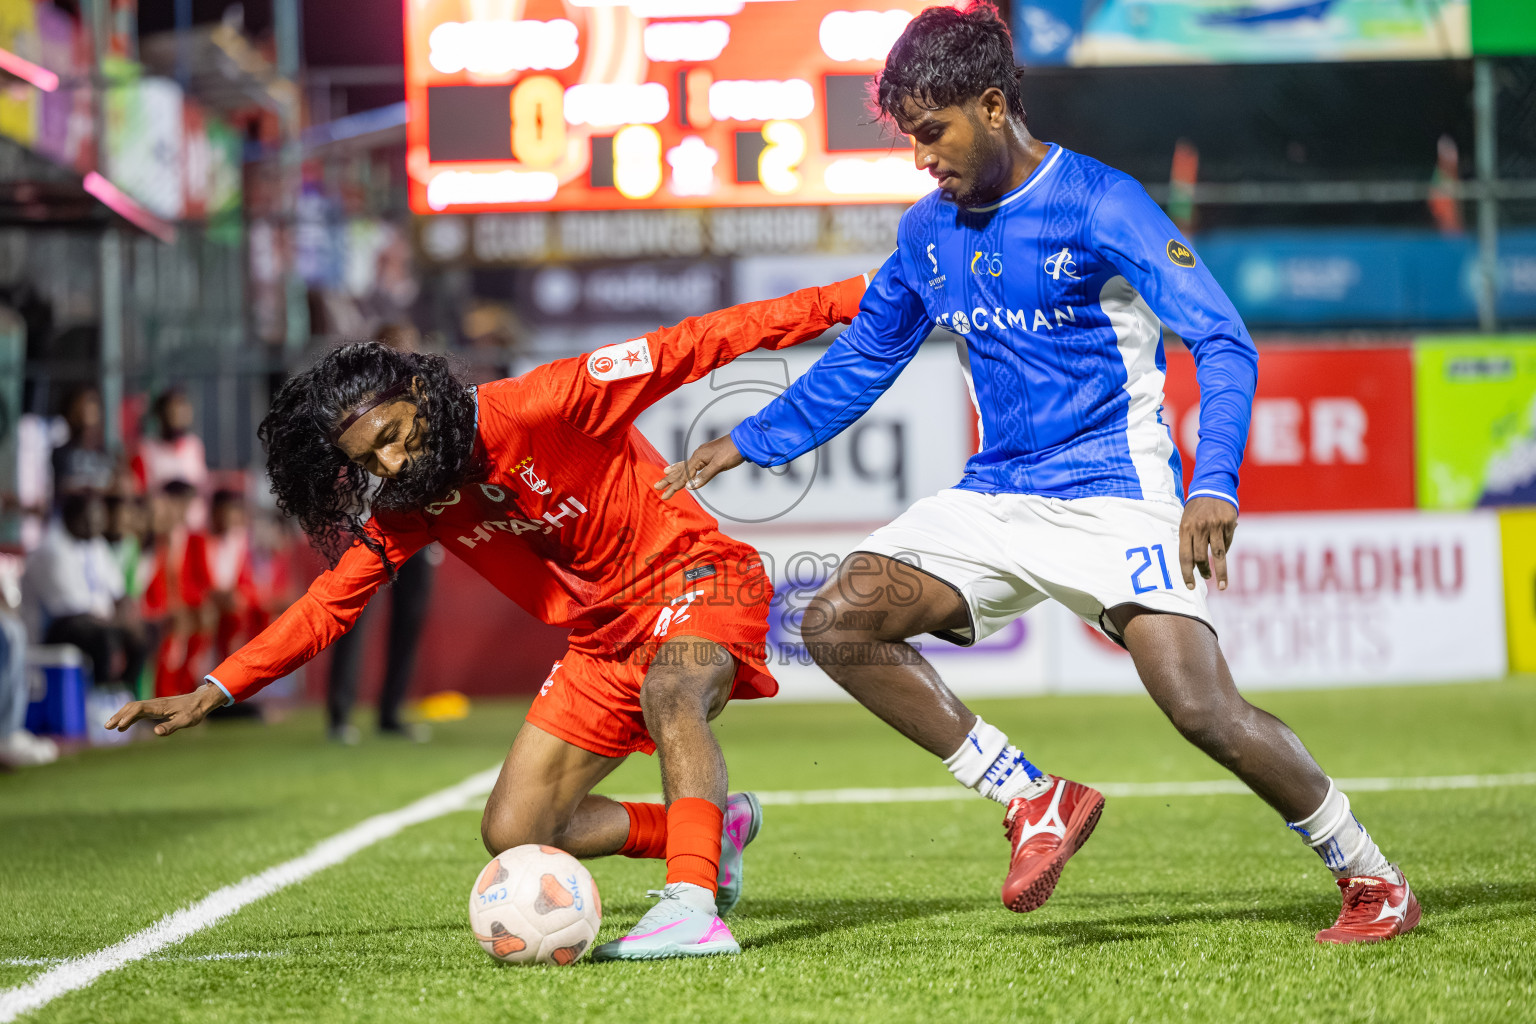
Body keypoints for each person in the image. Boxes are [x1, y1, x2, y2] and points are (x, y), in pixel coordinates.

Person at [662, 3, 1416, 946]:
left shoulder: (1101, 202)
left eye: (932, 133)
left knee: (1201, 708)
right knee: (837, 620)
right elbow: (867, 356)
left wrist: (1215, 480)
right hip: (995, 495)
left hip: (1115, 491)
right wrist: (757, 438)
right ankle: (1029, 797)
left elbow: (1221, 338)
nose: (922, 157)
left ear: (991, 104)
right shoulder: (927, 232)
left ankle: (1372, 875)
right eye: (909, 138)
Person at [106, 275, 869, 960]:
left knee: (672, 693)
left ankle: (693, 907)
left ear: (416, 389)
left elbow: (697, 342)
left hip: (697, 575)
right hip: (605, 632)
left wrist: (852, 296)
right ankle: (707, 828)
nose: (392, 467)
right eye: (369, 463)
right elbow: (331, 602)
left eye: (393, 438)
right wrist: (220, 685)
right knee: (515, 831)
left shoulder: (548, 399)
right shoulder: (413, 505)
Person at [325, 322, 438, 745]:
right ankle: (340, 713)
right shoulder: (357, 400)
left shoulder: (421, 396)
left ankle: (391, 711)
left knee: (410, 617)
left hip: (416, 523)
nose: (408, 351)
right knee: (353, 615)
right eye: (400, 344)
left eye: (411, 344)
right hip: (368, 524)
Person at [23, 490, 147, 689]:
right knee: (101, 636)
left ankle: (122, 696)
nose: (95, 525)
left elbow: (119, 592)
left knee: (141, 633)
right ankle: (98, 701)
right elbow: (73, 609)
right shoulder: (51, 550)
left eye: (98, 518)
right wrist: (117, 622)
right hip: (53, 630)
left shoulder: (94, 543)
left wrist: (127, 618)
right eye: (89, 519)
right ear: (70, 517)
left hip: (94, 622)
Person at [50, 386, 116, 500]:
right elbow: (59, 488)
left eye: (94, 411)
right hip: (74, 512)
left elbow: (114, 486)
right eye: (85, 410)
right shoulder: (62, 454)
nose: (90, 414)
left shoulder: (107, 454)